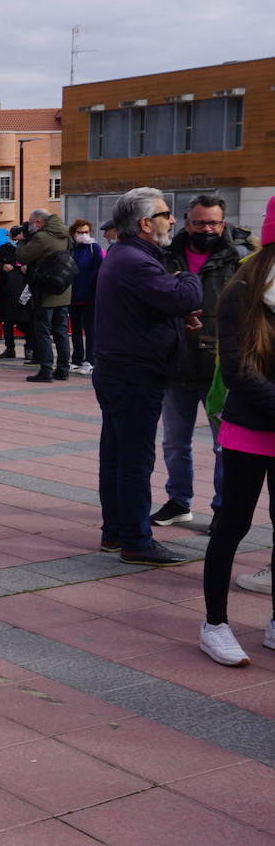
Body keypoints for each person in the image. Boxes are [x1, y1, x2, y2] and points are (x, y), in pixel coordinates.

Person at [93, 187, 202, 566]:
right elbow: (184, 296)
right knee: (134, 462)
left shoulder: (125, 256)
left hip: (119, 371)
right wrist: (186, 279)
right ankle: (136, 541)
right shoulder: (135, 261)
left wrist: (173, 321)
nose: (172, 220)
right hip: (134, 375)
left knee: (118, 458)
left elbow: (147, 308)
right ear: (144, 223)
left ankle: (116, 533)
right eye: (165, 214)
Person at [197, 196, 275, 666]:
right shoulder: (243, 290)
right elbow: (241, 372)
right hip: (248, 428)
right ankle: (215, 624)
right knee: (232, 527)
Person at [152, 195, 240, 531]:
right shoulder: (167, 256)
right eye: (199, 222)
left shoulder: (238, 258)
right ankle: (178, 501)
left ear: (223, 223)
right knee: (175, 442)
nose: (206, 229)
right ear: (186, 222)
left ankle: (223, 508)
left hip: (222, 369)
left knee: (225, 445)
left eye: (213, 223)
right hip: (178, 363)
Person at [18, 209, 73, 383]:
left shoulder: (42, 238)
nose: (29, 226)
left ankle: (46, 370)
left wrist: (22, 240)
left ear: (39, 222)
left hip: (45, 292)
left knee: (42, 332)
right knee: (61, 332)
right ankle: (63, 369)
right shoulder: (64, 235)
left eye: (30, 223)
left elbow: (22, 256)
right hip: (63, 290)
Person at [0, 229, 33, 362]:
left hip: (24, 290)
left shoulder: (29, 248)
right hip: (6, 290)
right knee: (7, 321)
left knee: (26, 321)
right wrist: (2, 266)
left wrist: (27, 268)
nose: (13, 238)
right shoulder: (4, 249)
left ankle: (29, 348)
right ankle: (9, 348)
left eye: (16, 235)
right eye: (11, 236)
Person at [68, 219, 104, 374]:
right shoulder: (70, 249)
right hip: (73, 296)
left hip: (89, 296)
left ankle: (90, 360)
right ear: (73, 233)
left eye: (86, 232)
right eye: (80, 232)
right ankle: (76, 359)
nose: (83, 235)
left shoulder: (94, 248)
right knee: (75, 329)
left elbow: (98, 270)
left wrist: (91, 289)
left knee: (90, 329)